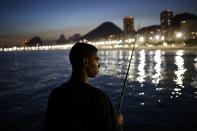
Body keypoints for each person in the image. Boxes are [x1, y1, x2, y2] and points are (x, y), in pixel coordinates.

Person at [44, 42, 123, 131]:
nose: (99, 64)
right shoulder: (99, 97)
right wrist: (116, 122)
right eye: (96, 59)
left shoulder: (56, 94)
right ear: (85, 62)